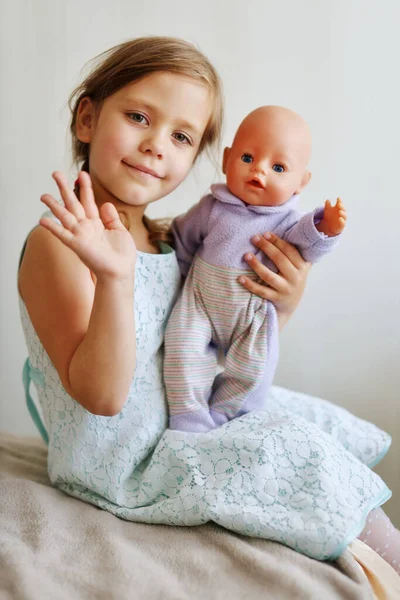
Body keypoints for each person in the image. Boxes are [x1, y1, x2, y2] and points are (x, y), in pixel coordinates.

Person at [17, 36, 399, 569]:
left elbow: (211, 345)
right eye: (138, 116)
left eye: (181, 136)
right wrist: (114, 281)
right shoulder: (56, 246)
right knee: (288, 452)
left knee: (300, 424)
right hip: (123, 460)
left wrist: (281, 303)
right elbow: (102, 396)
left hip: (184, 420)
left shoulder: (169, 241)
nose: (156, 145)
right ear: (87, 119)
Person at [165, 105, 347, 432]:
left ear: (300, 182)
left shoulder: (288, 221)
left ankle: (225, 419)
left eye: (278, 167)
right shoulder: (212, 208)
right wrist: (175, 280)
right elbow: (183, 238)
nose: (259, 171)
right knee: (182, 350)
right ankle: (188, 419)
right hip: (201, 305)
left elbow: (308, 246)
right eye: (248, 158)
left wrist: (324, 227)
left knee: (253, 371)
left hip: (254, 315)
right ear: (226, 160)